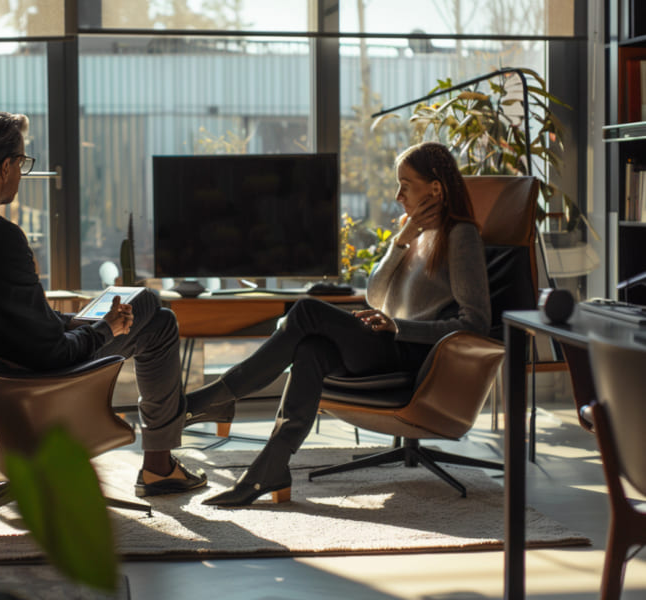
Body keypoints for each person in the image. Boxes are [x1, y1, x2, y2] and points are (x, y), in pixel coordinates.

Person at [0, 111, 206, 498]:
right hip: (25, 388)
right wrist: (105, 329)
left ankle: (160, 468)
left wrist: (71, 321)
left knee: (152, 314)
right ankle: (158, 468)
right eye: (22, 162)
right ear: (5, 166)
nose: (21, 173)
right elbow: (51, 354)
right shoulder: (0, 237)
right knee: (154, 310)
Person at [184, 141, 491, 507]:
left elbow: (475, 323)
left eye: (405, 185)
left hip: (413, 357)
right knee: (312, 350)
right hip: (388, 345)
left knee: (306, 311)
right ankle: (270, 469)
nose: (397, 195)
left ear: (436, 188)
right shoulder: (415, 236)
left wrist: (400, 328)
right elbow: (375, 296)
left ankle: (219, 395)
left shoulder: (461, 237)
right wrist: (400, 243)